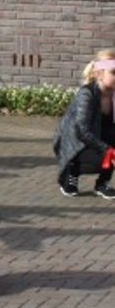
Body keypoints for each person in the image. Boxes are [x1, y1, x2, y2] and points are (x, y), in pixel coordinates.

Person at [54, 49, 115, 199]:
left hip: (98, 138)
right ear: (99, 74)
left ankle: (102, 184)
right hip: (76, 143)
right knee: (106, 157)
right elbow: (82, 131)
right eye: (114, 72)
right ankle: (71, 170)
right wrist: (108, 150)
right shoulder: (87, 94)